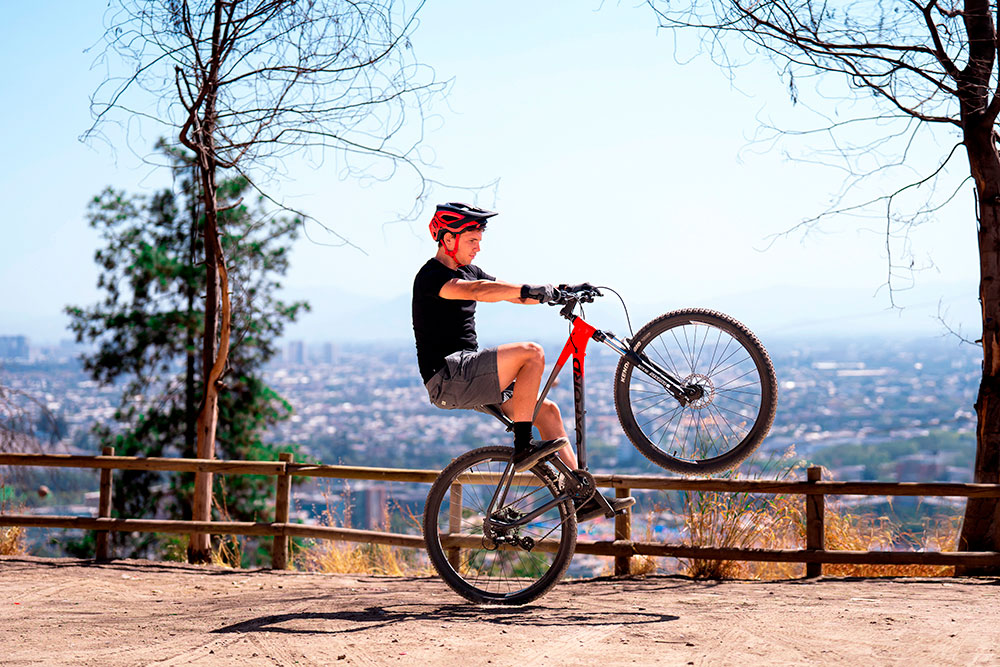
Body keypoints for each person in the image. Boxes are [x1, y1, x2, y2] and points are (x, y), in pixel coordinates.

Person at [411, 202, 634, 522]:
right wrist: (531, 290)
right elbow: (480, 291)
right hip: (449, 375)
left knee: (548, 412)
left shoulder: (469, 271)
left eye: (479, 241)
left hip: (468, 372)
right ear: (448, 240)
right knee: (532, 352)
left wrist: (559, 291)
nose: (478, 248)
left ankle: (581, 497)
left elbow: (511, 293)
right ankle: (523, 445)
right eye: (472, 241)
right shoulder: (432, 276)